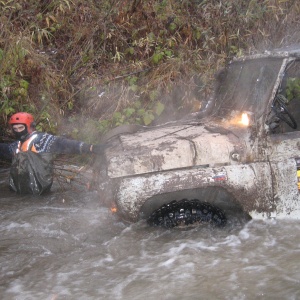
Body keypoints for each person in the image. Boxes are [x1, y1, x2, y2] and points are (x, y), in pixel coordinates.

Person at [0, 112, 108, 195]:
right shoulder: (16, 145)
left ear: (30, 127)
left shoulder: (42, 140)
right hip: (19, 192)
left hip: (39, 195)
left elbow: (64, 144)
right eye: (15, 129)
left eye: (21, 128)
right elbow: (4, 150)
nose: (18, 131)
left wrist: (90, 147)